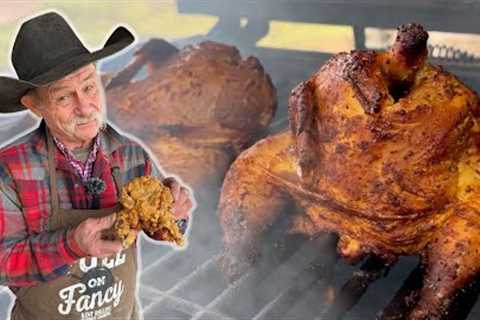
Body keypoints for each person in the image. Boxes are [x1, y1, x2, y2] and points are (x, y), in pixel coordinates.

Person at [0, 11, 193, 320]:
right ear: (35, 106)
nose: (85, 106)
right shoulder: (10, 171)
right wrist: (71, 244)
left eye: (89, 87)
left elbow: (162, 225)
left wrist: (175, 216)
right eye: (64, 97)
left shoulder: (131, 156)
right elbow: (3, 262)